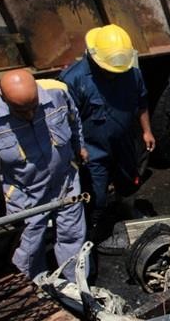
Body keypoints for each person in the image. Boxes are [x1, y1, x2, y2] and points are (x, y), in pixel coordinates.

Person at [0, 70, 87, 281]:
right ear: (4, 99)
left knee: (72, 236)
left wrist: (79, 146)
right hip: (25, 192)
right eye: (21, 110)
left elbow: (74, 120)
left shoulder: (58, 92)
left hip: (65, 181)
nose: (29, 114)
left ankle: (77, 286)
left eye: (33, 107)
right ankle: (35, 286)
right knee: (29, 244)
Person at [60, 24, 155, 234]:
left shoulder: (132, 73)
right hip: (93, 151)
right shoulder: (73, 80)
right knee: (96, 195)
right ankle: (93, 230)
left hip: (123, 142)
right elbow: (64, 122)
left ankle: (125, 209)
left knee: (129, 181)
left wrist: (146, 131)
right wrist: (76, 149)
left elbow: (141, 103)